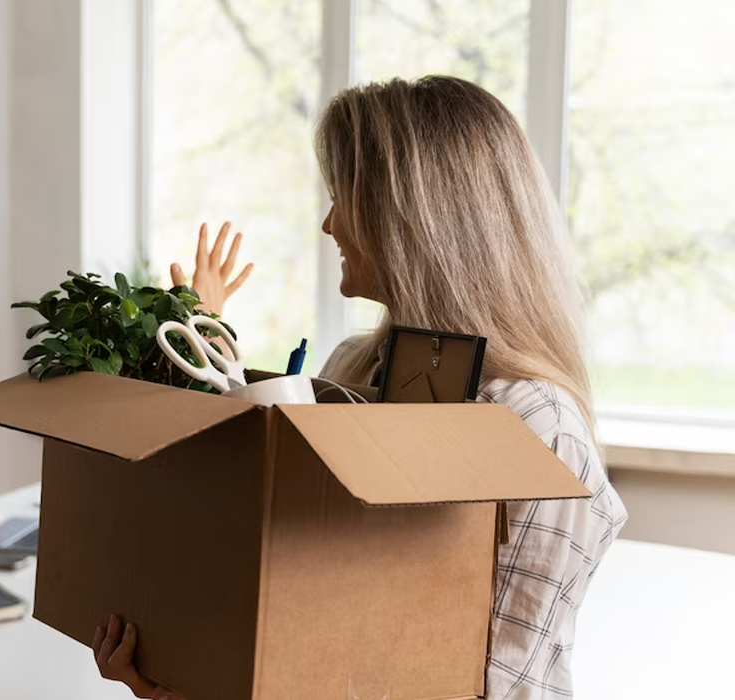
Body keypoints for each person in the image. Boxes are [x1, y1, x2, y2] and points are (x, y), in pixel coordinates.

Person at [93, 76, 628, 699]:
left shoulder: (539, 432)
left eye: (343, 198)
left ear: (412, 216)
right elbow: (308, 620)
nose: (328, 224)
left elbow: (499, 686)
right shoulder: (352, 370)